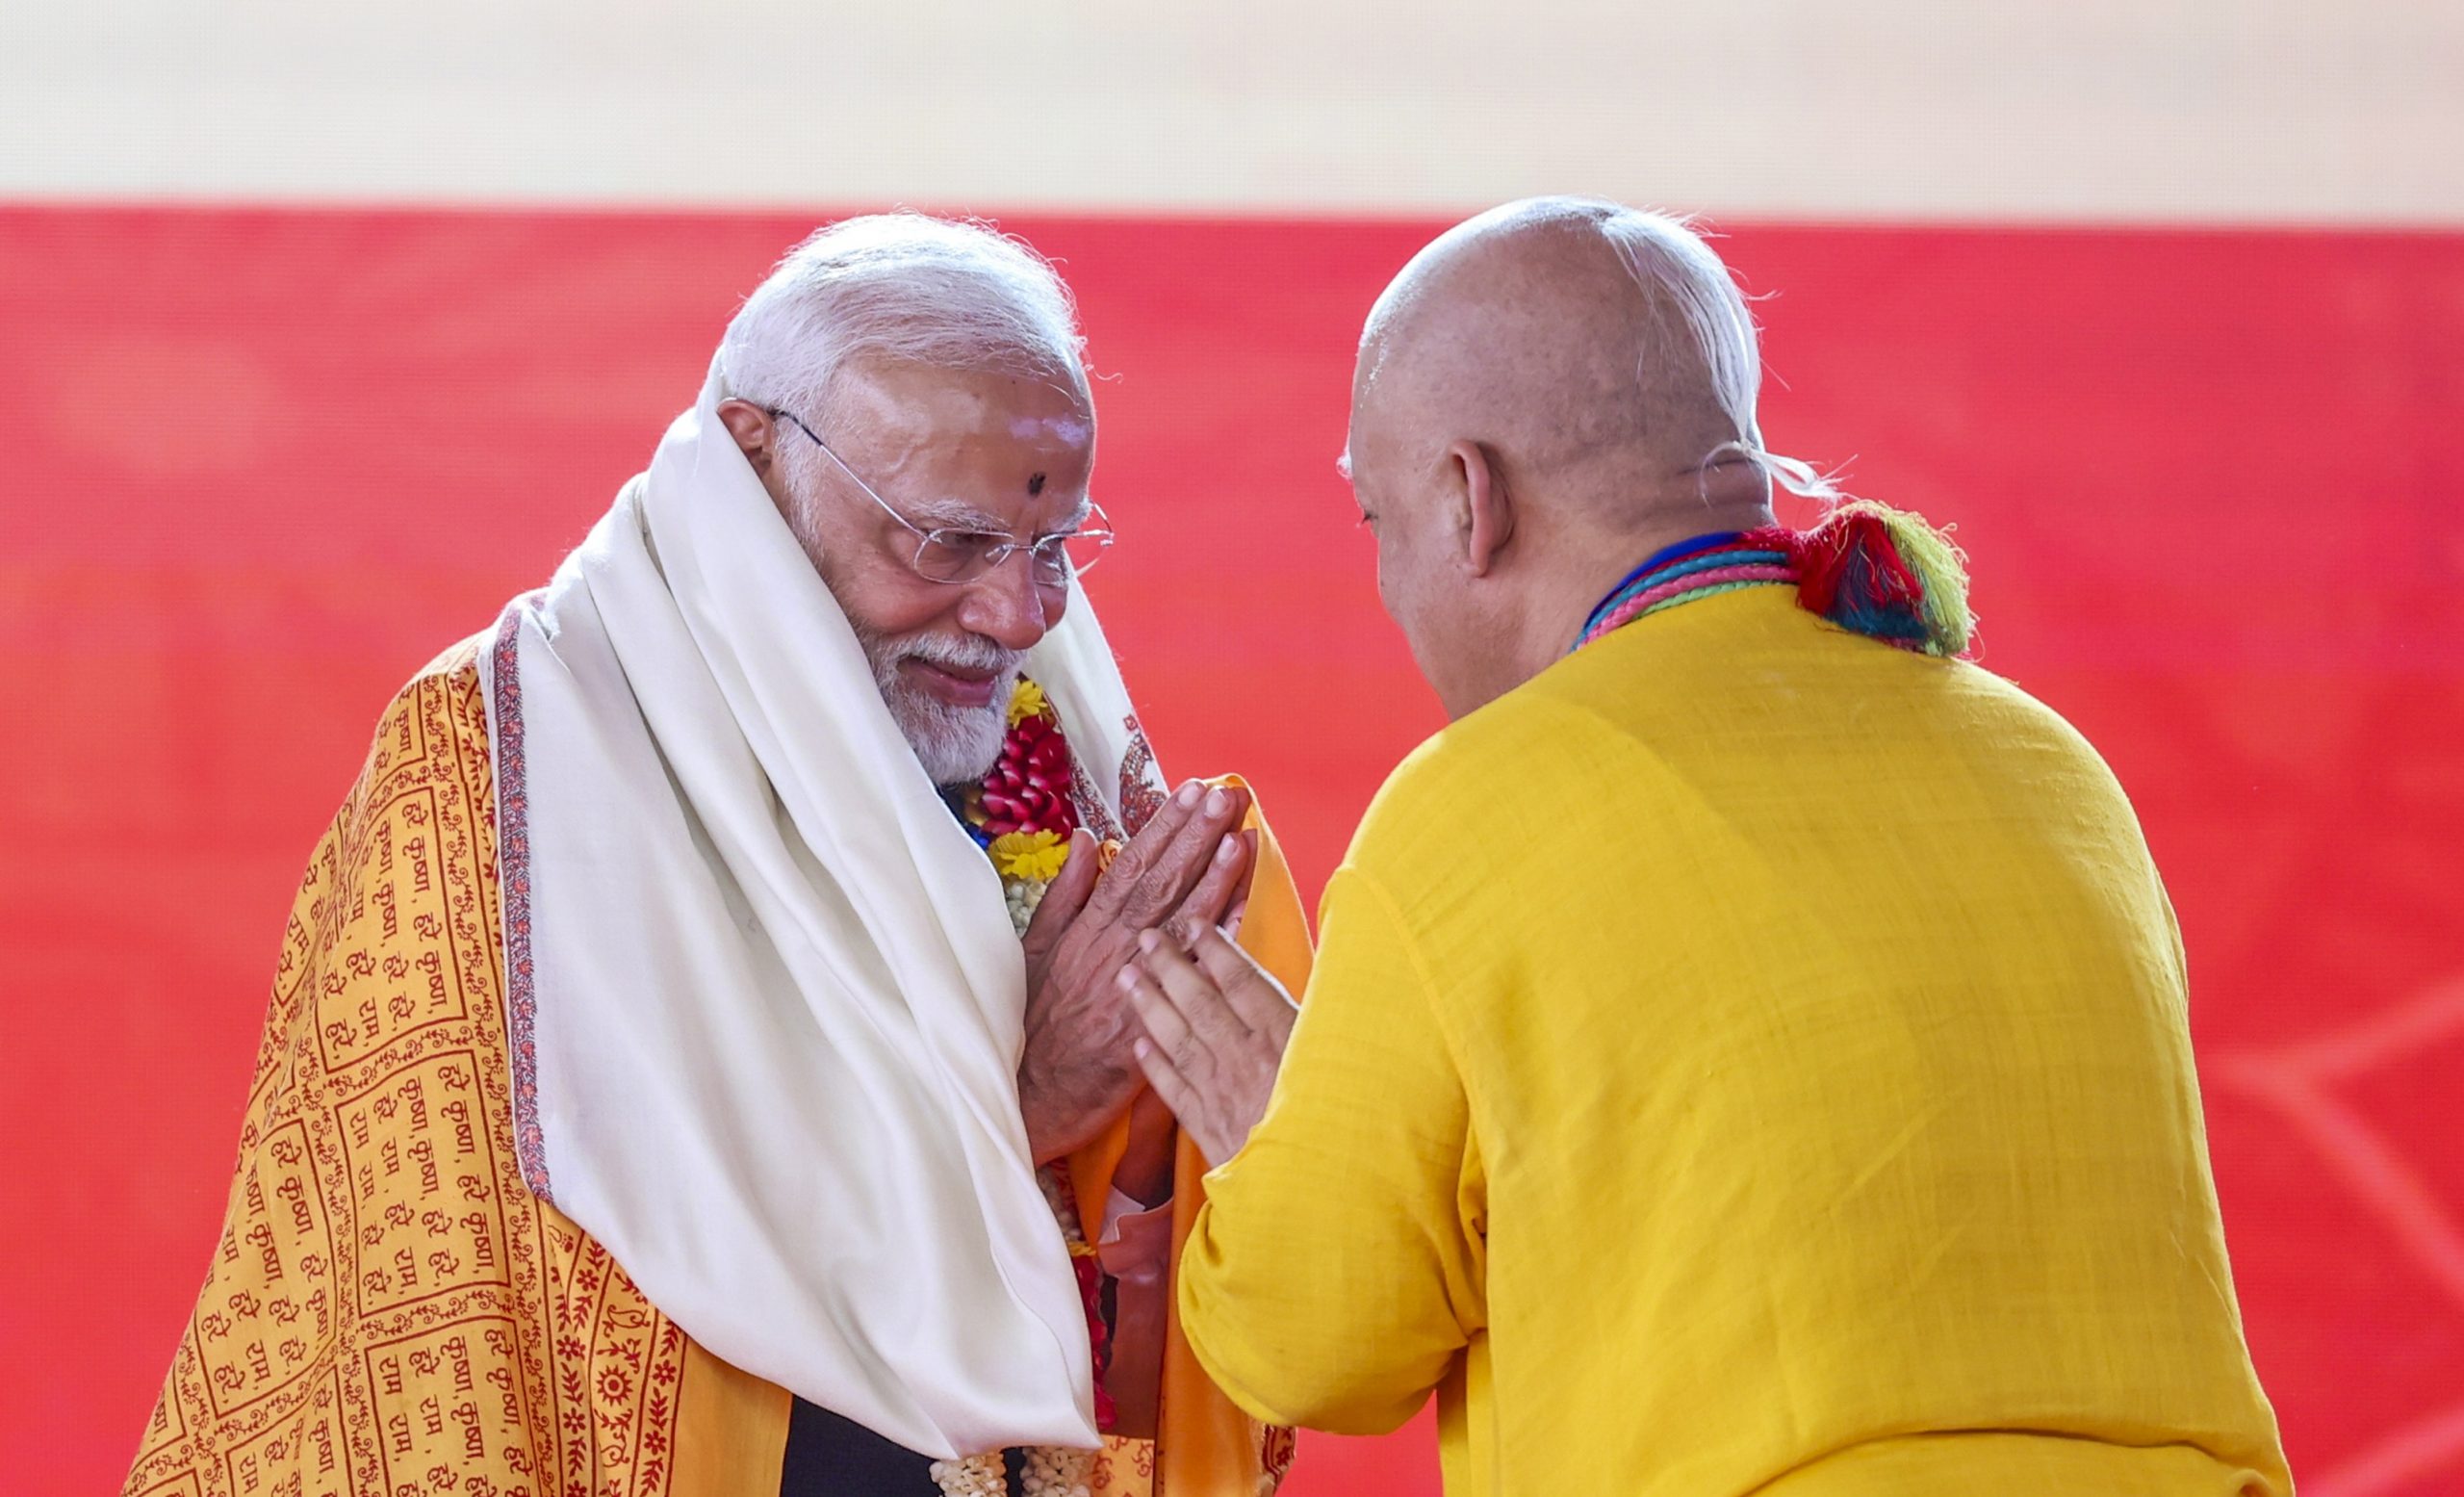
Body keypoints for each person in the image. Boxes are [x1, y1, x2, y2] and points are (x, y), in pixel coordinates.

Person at [1123, 197, 2295, 1496]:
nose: (1388, 580)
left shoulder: (1473, 807)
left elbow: (1322, 1347)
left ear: (1469, 499)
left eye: (1375, 522)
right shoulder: (2048, 763)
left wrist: (1276, 1150)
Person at [125, 214, 1309, 1497]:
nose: (1019, 614)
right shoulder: (499, 760)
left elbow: (1144, 1259)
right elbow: (506, 1274)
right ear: (755, 457)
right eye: (948, 541)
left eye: (1053, 545)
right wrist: (1019, 1104)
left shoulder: (1048, 757)